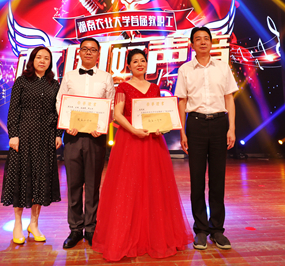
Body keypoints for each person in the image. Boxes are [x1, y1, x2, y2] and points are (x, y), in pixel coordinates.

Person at [92, 48, 192, 261]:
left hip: (152, 142)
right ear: (128, 65)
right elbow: (118, 114)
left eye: (142, 60)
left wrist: (161, 128)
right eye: (135, 61)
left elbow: (159, 114)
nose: (139, 64)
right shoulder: (123, 87)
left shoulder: (154, 87)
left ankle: (152, 236)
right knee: (129, 186)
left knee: (153, 186)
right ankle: (127, 237)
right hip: (130, 140)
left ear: (147, 64)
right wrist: (134, 130)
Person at [175, 26, 238, 251]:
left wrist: (231, 128)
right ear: (191, 44)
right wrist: (182, 131)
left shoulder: (222, 67)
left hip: (220, 123)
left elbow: (229, 98)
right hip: (196, 124)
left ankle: (217, 230)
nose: (202, 42)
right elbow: (182, 101)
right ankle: (201, 230)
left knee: (218, 180)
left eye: (206, 39)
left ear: (211, 43)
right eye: (198, 39)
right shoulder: (185, 69)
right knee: (197, 180)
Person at [56, 37, 115, 249]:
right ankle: (75, 229)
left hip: (96, 138)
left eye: (93, 49)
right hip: (72, 136)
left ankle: (91, 228)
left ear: (98, 54)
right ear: (79, 53)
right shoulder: (69, 76)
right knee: (73, 185)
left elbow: (110, 105)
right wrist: (66, 124)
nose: (88, 52)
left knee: (92, 185)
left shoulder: (106, 77)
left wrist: (102, 125)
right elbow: (60, 101)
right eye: (85, 49)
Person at [1, 46, 63, 244]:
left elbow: (58, 112)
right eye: (39, 57)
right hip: (24, 135)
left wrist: (58, 134)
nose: (42, 61)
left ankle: (34, 224)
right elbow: (13, 110)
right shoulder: (22, 81)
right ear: (32, 60)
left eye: (46, 58)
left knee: (41, 180)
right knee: (21, 178)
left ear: (50, 62)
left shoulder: (54, 84)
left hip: (46, 137)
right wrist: (14, 135)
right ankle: (18, 223)